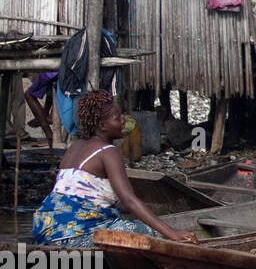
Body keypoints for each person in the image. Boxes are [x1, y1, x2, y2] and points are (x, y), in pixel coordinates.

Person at [32, 90, 192, 247]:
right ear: (102, 125)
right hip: (73, 235)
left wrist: (138, 209)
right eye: (117, 119)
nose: (122, 122)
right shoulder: (108, 152)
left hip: (44, 228)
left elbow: (85, 197)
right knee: (150, 234)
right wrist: (173, 233)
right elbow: (129, 201)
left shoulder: (74, 148)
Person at [25, 71, 58, 147]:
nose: (32, 82)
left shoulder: (45, 74)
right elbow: (51, 93)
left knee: (28, 94)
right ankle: (45, 118)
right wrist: (43, 115)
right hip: (57, 72)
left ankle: (49, 135)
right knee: (49, 83)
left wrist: (43, 120)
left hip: (54, 72)